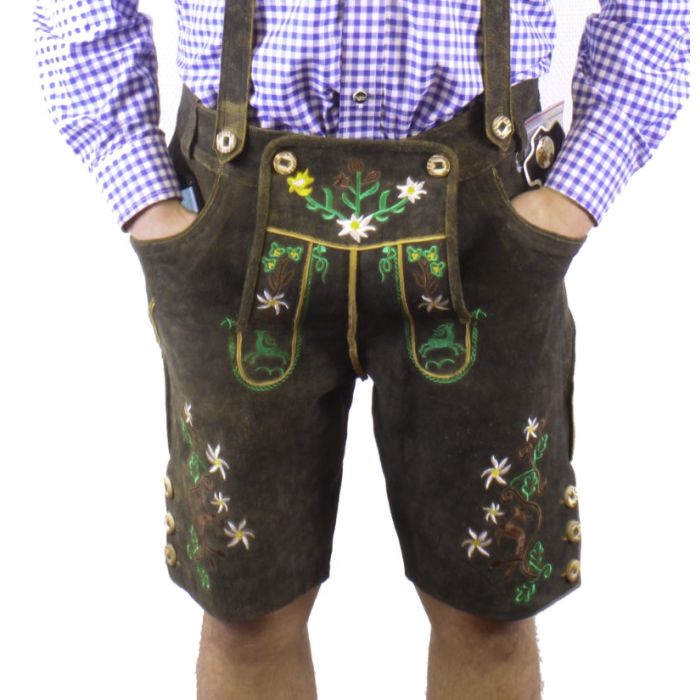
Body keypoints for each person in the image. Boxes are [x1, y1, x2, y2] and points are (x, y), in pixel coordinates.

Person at [32, 1, 689, 698]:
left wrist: (573, 194)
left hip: (484, 221)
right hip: (235, 216)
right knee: (244, 613)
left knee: (490, 610)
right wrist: (141, 191)